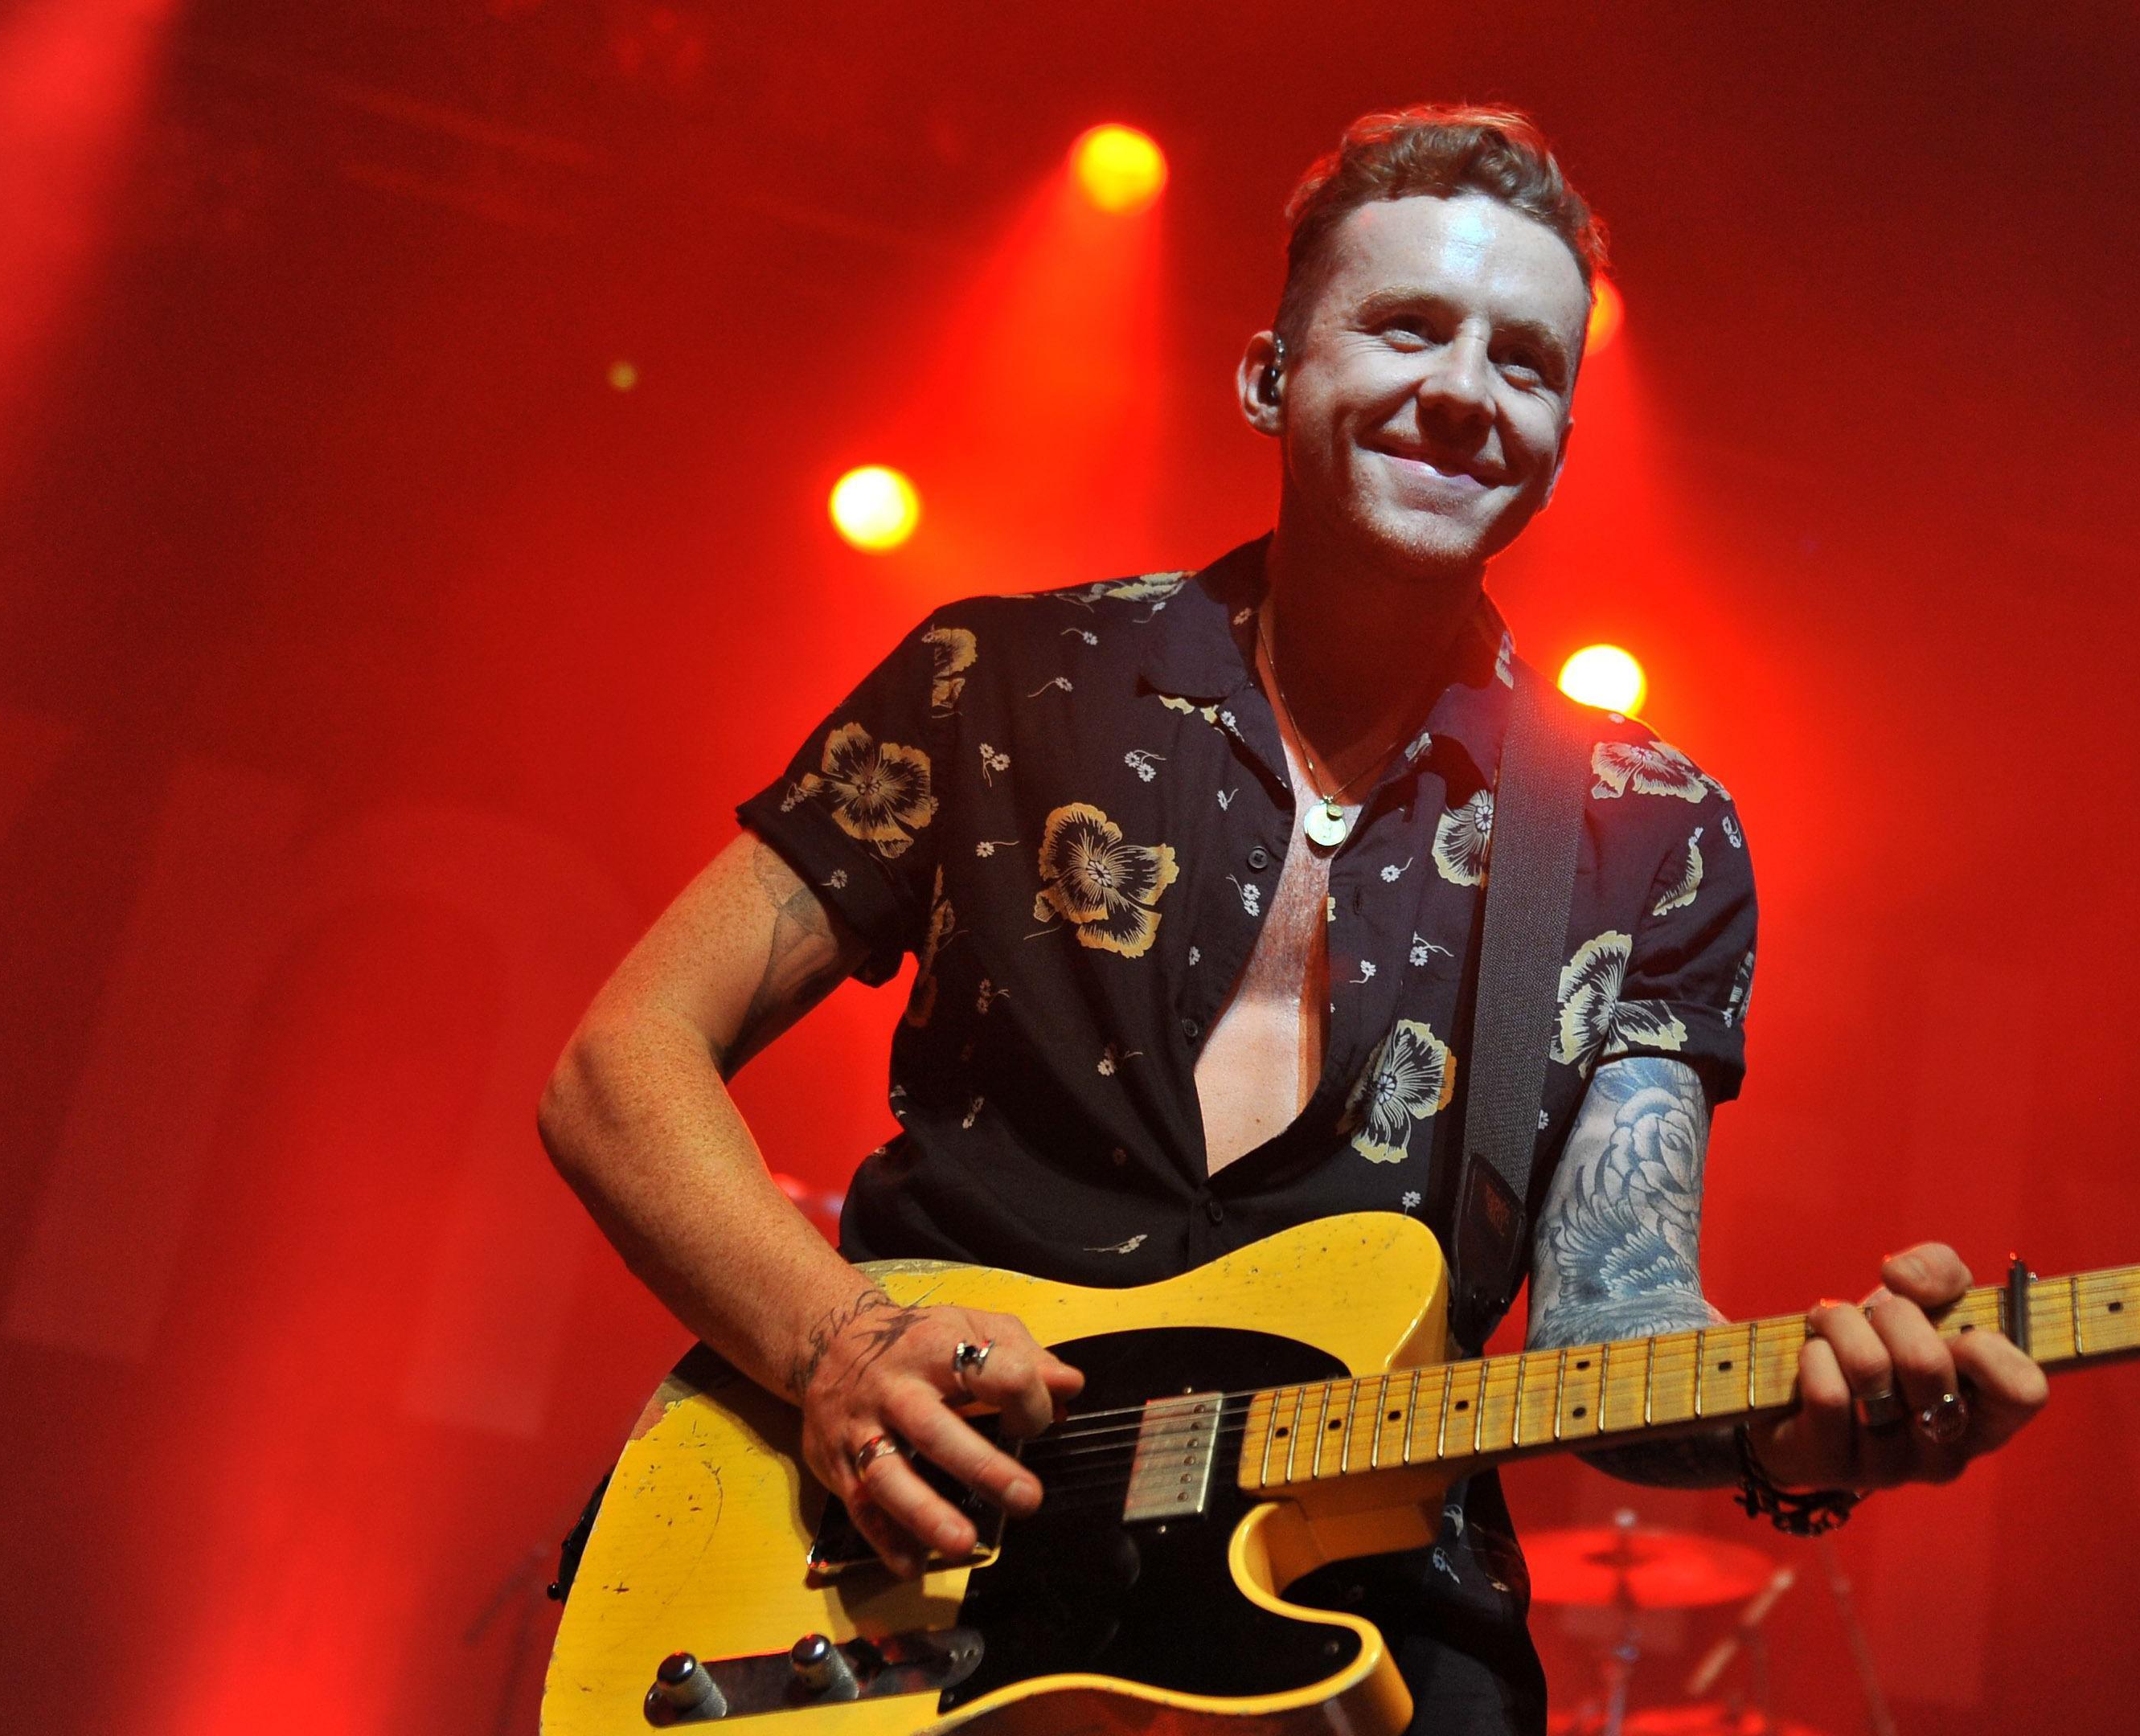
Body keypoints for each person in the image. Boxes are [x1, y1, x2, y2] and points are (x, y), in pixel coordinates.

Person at [538, 104, 2045, 1735]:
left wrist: (1798, 1424)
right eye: (1409, 326)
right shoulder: (1003, 684)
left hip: (1359, 1649)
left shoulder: (1645, 833)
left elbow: (1616, 1315)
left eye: (1527, 364)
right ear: (1266, 377)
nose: (1466, 390)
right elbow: (620, 1064)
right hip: (888, 1596)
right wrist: (838, 1343)